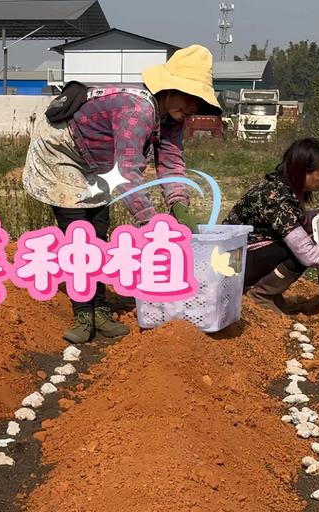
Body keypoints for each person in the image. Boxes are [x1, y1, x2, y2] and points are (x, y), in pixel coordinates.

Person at [23, 45, 221, 343]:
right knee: (79, 233)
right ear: (168, 89)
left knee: (99, 229)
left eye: (199, 101)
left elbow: (170, 162)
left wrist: (179, 205)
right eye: (188, 96)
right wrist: (151, 223)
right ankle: (83, 314)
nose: (193, 106)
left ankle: (99, 308)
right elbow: (127, 174)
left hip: (97, 158)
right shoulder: (138, 110)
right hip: (61, 150)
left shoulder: (172, 118)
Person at [224, 137, 319, 314]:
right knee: (304, 247)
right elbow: (308, 254)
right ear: (303, 171)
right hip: (233, 263)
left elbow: (296, 221)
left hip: (242, 255)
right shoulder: (277, 200)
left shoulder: (281, 187)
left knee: (301, 240)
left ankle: (273, 295)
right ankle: (261, 295)